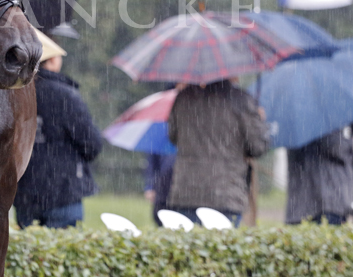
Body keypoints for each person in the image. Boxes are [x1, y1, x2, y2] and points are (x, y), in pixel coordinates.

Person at [14, 30, 103, 228]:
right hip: (63, 192)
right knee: (61, 252)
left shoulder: (15, 95)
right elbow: (92, 144)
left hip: (23, 193)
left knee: (31, 253)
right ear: (52, 61)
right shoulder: (65, 95)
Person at [167, 79, 269, 227]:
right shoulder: (241, 100)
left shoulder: (184, 98)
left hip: (186, 191)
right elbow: (257, 147)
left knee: (190, 248)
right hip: (227, 193)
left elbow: (173, 137)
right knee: (222, 248)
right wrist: (260, 122)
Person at [285, 126, 353, 225]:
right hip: (327, 203)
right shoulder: (325, 122)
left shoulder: (294, 126)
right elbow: (335, 147)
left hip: (298, 206)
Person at [144, 152, 176, 227]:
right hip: (163, 188)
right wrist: (150, 187)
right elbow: (151, 165)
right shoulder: (161, 145)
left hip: (184, 190)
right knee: (159, 216)